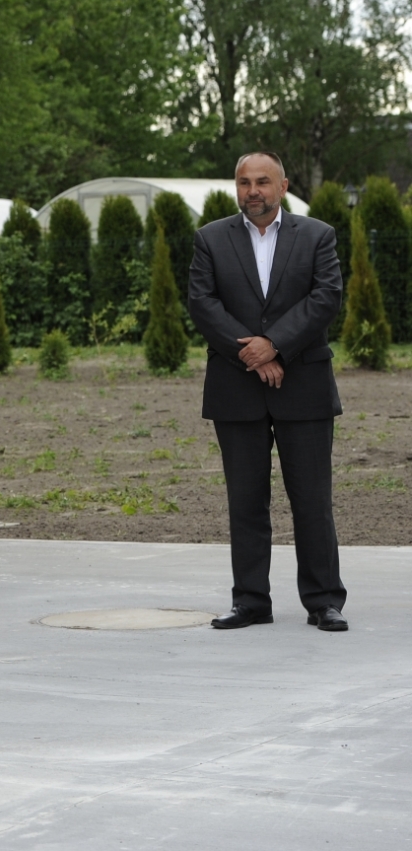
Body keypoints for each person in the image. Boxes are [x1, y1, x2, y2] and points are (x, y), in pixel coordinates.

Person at [188, 151, 347, 631]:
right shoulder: (210, 238)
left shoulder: (317, 235)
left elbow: (326, 297)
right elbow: (202, 302)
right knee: (246, 500)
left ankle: (323, 601)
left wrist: (274, 345)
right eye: (243, 182)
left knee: (312, 499)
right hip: (236, 388)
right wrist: (252, 355)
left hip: (305, 386)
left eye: (262, 181)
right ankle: (251, 600)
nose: (252, 191)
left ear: (283, 186)